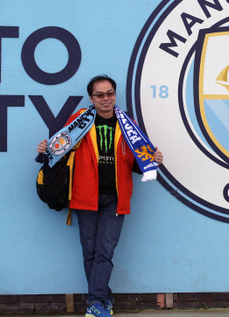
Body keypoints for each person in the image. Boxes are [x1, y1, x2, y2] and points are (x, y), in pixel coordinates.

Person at [37, 75, 163, 317]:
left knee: (105, 250)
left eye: (110, 94)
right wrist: (45, 148)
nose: (106, 99)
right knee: (90, 251)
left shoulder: (128, 124)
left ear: (115, 95)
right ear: (91, 98)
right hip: (85, 195)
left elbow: (137, 164)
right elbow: (59, 149)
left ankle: (95, 303)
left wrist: (152, 160)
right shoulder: (80, 120)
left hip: (115, 198)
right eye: (100, 95)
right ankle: (104, 300)